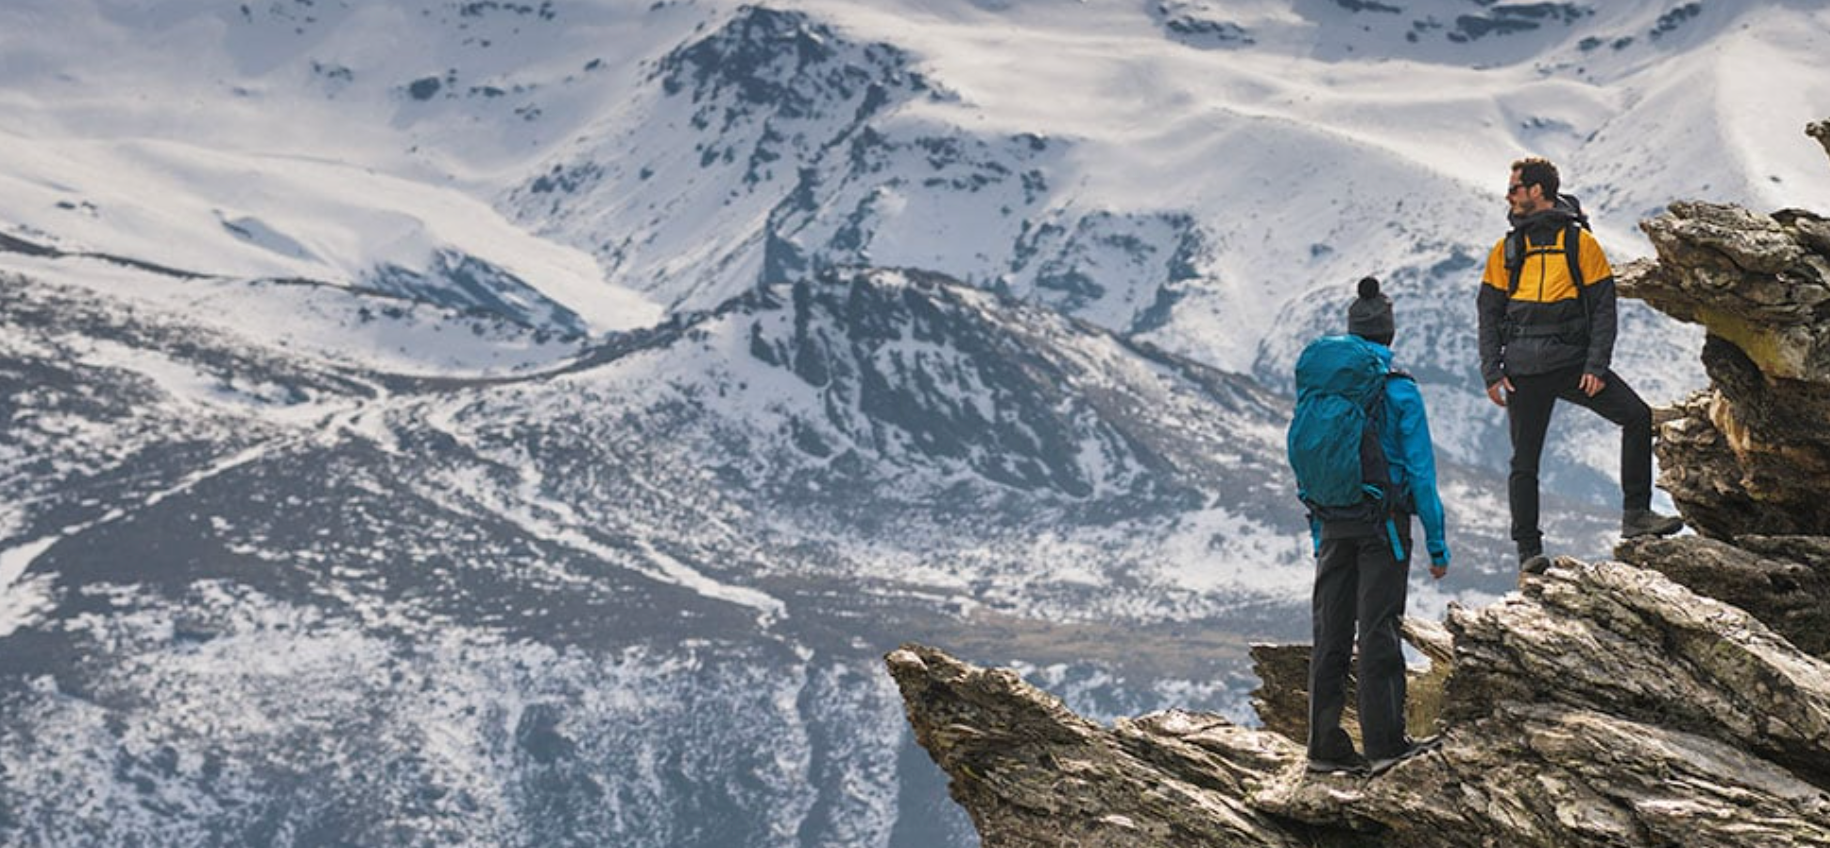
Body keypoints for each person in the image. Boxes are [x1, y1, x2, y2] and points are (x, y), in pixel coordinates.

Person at [1477, 157, 1683, 576]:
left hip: (1571, 364)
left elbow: (1604, 308)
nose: (1509, 195)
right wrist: (1492, 372)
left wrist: (1596, 364)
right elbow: (1488, 311)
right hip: (1523, 370)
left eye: (1515, 188)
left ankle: (1635, 517)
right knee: (1524, 461)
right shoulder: (1507, 249)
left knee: (1637, 416)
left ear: (1538, 191)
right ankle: (1529, 554)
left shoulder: (1579, 242)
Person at [1306, 276, 1448, 777]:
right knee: (1379, 631)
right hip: (1382, 526)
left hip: (1332, 520)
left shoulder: (1328, 384)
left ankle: (1324, 746)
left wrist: (1320, 533)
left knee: (1331, 634)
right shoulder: (1398, 389)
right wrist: (1436, 542)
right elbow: (1422, 473)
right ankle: (1385, 744)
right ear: (1389, 335)